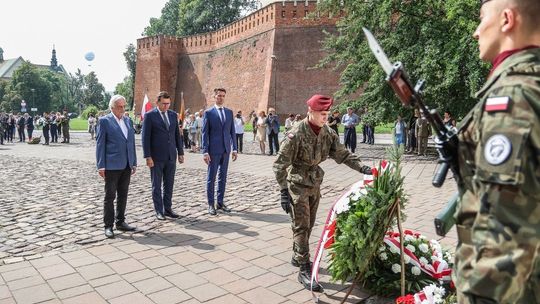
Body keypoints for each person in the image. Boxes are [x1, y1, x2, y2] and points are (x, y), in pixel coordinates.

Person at [452, 1, 540, 303]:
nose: (476, 32)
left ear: (506, 19)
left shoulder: (512, 98)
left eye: (481, 19)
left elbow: (506, 230)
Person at [273, 95, 372, 292]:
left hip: (315, 183)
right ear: (311, 112)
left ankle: (296, 254)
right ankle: (304, 268)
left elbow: (342, 154)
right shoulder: (296, 134)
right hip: (297, 184)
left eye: (327, 114)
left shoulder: (327, 132)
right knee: (301, 225)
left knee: (309, 224)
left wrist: (363, 168)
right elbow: (279, 165)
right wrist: (284, 191)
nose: (325, 118)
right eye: (322, 114)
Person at [96, 95, 137, 239]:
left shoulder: (127, 120)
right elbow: (100, 144)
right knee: (110, 196)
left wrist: (133, 162)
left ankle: (120, 221)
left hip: (126, 164)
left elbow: (131, 143)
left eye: (124, 106)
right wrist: (101, 165)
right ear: (112, 107)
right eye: (120, 106)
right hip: (111, 165)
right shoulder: (104, 121)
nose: (123, 109)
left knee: (123, 195)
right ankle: (108, 225)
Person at [142, 91, 184, 220]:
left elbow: (177, 135)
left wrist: (181, 152)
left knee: (169, 184)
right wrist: (148, 156)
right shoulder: (150, 116)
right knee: (156, 185)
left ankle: (168, 209)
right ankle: (159, 210)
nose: (166, 106)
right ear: (157, 102)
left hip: (171, 155)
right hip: (156, 157)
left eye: (168, 104)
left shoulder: (172, 115)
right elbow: (145, 138)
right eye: (164, 104)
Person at [202, 88, 238, 216]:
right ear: (214, 96)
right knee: (211, 178)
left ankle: (220, 202)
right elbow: (204, 134)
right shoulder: (209, 113)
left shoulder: (229, 112)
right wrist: (205, 151)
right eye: (218, 95)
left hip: (226, 150)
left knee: (223, 177)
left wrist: (234, 148)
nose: (221, 98)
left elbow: (232, 131)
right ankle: (211, 204)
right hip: (213, 151)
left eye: (223, 96)